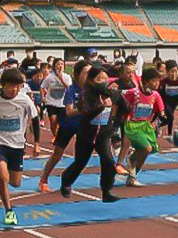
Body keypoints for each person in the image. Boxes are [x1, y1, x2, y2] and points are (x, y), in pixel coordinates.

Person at [0, 69, 40, 226]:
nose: (15, 89)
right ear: (3, 85)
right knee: (4, 177)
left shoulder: (24, 100)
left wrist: (36, 143)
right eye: (12, 86)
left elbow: (35, 119)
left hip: (17, 145)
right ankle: (9, 210)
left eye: (18, 86)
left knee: (15, 183)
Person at [60, 66, 123, 203]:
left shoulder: (111, 93)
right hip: (86, 134)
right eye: (99, 79)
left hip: (103, 135)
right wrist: (101, 107)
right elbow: (86, 114)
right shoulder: (85, 95)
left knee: (108, 161)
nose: (103, 82)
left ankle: (106, 191)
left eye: (105, 79)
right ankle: (66, 180)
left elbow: (124, 106)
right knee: (80, 163)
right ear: (92, 81)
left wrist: (116, 123)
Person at [39, 60, 90, 193]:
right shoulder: (71, 90)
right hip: (68, 125)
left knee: (81, 158)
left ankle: (68, 180)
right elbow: (69, 111)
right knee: (57, 154)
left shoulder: (91, 90)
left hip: (83, 126)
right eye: (86, 73)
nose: (89, 75)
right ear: (77, 75)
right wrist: (84, 110)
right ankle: (44, 179)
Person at [123, 68, 165, 187]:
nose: (157, 84)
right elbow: (122, 103)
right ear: (146, 81)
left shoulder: (156, 95)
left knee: (149, 150)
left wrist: (160, 121)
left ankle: (132, 177)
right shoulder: (134, 93)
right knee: (146, 148)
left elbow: (161, 111)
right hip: (133, 125)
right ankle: (131, 159)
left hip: (146, 126)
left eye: (158, 81)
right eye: (154, 81)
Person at [40, 58, 72, 138]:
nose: (60, 66)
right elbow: (42, 87)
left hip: (62, 103)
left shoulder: (67, 77)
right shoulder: (49, 77)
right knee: (52, 121)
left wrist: (61, 79)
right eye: (58, 64)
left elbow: (69, 88)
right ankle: (55, 136)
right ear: (54, 66)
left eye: (62, 64)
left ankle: (58, 136)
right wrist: (43, 97)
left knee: (60, 122)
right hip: (51, 102)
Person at [159, 60, 178, 138]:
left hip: (174, 102)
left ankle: (167, 132)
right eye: (171, 71)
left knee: (170, 118)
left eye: (175, 71)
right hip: (165, 101)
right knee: (170, 116)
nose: (174, 74)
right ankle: (166, 131)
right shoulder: (164, 81)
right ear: (167, 72)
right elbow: (160, 92)